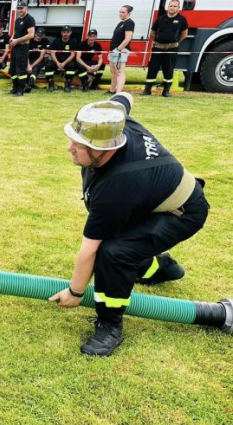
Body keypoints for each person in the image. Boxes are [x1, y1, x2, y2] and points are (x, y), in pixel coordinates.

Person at [51, 92, 209, 357]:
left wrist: (75, 292)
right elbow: (124, 97)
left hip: (182, 213)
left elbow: (90, 249)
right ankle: (162, 267)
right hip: (154, 199)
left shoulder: (118, 186)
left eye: (78, 144)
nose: (69, 147)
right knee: (123, 244)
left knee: (114, 254)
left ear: (104, 149)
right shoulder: (114, 122)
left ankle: (110, 324)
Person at [144, 0, 187, 97]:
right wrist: (158, 41)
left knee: (168, 69)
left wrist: (175, 42)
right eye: (170, 5)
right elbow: (152, 33)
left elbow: (184, 34)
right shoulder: (161, 19)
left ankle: (166, 91)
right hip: (158, 47)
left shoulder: (181, 20)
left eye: (175, 6)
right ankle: (147, 90)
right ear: (168, 7)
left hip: (172, 49)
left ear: (178, 8)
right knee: (153, 68)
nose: (172, 8)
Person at [108, 4, 134, 94]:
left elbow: (127, 38)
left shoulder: (129, 23)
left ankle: (118, 92)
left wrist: (118, 50)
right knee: (113, 71)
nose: (120, 14)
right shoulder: (121, 23)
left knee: (120, 71)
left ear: (128, 13)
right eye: (120, 12)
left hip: (121, 51)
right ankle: (112, 90)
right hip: (114, 50)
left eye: (123, 12)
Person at [47, 25, 78, 93]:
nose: (65, 34)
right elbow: (52, 53)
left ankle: (67, 85)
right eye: (64, 32)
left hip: (67, 61)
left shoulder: (74, 41)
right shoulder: (56, 41)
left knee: (72, 66)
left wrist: (64, 63)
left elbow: (73, 54)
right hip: (57, 61)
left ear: (70, 33)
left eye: (67, 32)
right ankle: (51, 85)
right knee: (48, 66)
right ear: (61, 33)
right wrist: (57, 63)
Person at [24, 27, 49, 93]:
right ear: (35, 34)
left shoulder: (45, 41)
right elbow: (26, 54)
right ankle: (23, 84)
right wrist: (28, 65)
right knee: (25, 70)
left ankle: (29, 85)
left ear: (43, 36)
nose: (38, 37)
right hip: (28, 59)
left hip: (39, 60)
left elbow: (41, 57)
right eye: (37, 35)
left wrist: (31, 66)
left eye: (40, 36)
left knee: (35, 69)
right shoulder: (29, 41)